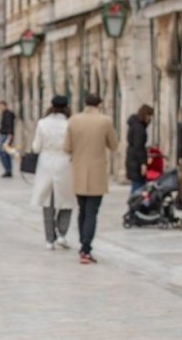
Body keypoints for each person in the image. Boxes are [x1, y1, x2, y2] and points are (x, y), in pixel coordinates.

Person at [64, 94, 118, 265]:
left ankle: (83, 245)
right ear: (99, 104)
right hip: (97, 172)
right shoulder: (105, 121)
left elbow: (67, 147)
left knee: (82, 210)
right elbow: (114, 145)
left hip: (79, 170)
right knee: (92, 212)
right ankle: (86, 248)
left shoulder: (73, 120)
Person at [31, 96, 76, 250]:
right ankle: (62, 233)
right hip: (65, 163)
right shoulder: (70, 124)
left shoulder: (42, 123)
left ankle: (49, 239)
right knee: (66, 200)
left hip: (46, 164)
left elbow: (36, 147)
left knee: (48, 202)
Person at [126, 104, 154, 194]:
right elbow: (139, 147)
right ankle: (133, 202)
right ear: (145, 114)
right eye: (149, 115)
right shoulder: (139, 128)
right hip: (136, 162)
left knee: (136, 186)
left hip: (132, 159)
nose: (150, 119)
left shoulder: (135, 125)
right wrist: (143, 163)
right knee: (137, 188)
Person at [0, 101, 15, 178]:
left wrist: (10, 134)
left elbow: (10, 125)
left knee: (1, 152)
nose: (0, 108)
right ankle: (8, 170)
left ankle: (8, 170)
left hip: (6, 136)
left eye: (1, 106)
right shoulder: (4, 114)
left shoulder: (8, 114)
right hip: (4, 134)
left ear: (5, 106)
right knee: (5, 152)